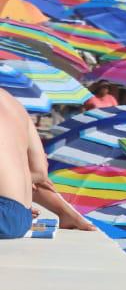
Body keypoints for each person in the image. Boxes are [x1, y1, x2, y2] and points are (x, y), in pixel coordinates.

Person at [0, 88, 93, 238]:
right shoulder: (16, 105)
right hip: (23, 216)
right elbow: (40, 173)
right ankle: (67, 213)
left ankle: (67, 213)